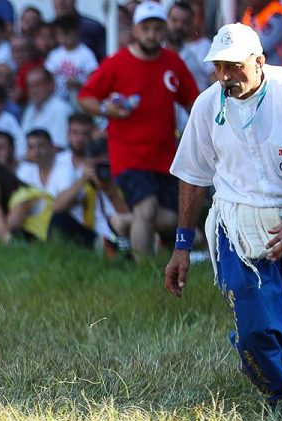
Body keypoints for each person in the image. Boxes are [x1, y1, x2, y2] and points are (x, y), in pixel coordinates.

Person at [163, 23, 282, 416]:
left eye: (234, 66)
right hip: (237, 220)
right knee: (256, 325)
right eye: (219, 67)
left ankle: (254, 353)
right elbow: (193, 177)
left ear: (260, 61)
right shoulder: (207, 104)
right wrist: (181, 247)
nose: (225, 77)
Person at [78, 1, 199, 259]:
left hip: (165, 156)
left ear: (164, 31)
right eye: (146, 29)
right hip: (128, 155)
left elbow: (194, 102)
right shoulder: (117, 62)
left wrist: (204, 134)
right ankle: (143, 271)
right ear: (135, 30)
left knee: (170, 219)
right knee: (147, 208)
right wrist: (105, 109)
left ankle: (119, 225)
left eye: (157, 29)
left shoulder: (173, 63)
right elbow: (86, 96)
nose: (151, 34)